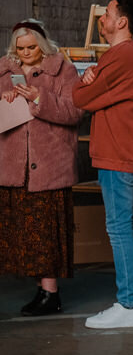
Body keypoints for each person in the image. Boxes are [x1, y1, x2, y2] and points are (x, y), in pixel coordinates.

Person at [72, 0, 133, 329]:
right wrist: (92, 75)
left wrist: (87, 78)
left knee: (119, 228)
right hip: (128, 152)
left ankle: (127, 303)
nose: (101, 19)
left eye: (106, 14)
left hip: (118, 153)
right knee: (127, 227)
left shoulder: (122, 55)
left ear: (121, 22)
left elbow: (81, 98)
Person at [0, 20, 85, 316]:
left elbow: (75, 112)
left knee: (46, 233)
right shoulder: (3, 71)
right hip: (14, 168)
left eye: (31, 47)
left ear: (43, 44)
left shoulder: (63, 71)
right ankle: (41, 290)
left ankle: (51, 294)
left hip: (49, 167)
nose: (25, 53)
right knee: (24, 233)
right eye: (20, 48)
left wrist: (38, 97)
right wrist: (5, 100)